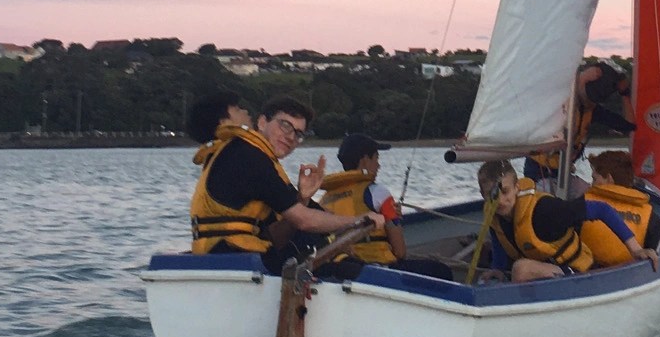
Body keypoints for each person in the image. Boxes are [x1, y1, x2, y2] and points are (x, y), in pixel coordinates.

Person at [189, 96, 365, 271]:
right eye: (285, 125)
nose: (290, 137)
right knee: (348, 268)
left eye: (298, 133)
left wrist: (302, 198)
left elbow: (274, 236)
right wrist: (359, 220)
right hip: (233, 257)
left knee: (320, 247)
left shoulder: (237, 152)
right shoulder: (247, 155)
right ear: (263, 122)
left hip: (226, 252)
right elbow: (304, 221)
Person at [316, 134, 455, 281]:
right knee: (441, 271)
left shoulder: (324, 199)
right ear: (365, 160)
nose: (379, 165)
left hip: (344, 267)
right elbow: (400, 252)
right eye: (376, 158)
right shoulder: (378, 192)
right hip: (378, 268)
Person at [476, 158, 593, 282]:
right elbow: (499, 251)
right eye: (492, 195)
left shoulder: (544, 209)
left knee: (521, 269)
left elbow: (600, 209)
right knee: (486, 279)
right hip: (541, 270)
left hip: (576, 272)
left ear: (516, 187)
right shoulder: (495, 216)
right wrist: (497, 270)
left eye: (505, 191)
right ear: (483, 195)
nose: (499, 200)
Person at [524, 60, 636, 190]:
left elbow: (629, 125)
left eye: (595, 100)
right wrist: (582, 77)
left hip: (563, 172)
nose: (590, 103)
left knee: (583, 194)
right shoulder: (559, 100)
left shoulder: (593, 111)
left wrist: (624, 94)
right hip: (538, 171)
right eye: (589, 97)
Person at [578, 150, 660, 269]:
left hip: (586, 274)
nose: (592, 184)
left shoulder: (584, 204)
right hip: (631, 274)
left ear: (609, 179)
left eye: (595, 179)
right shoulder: (650, 215)